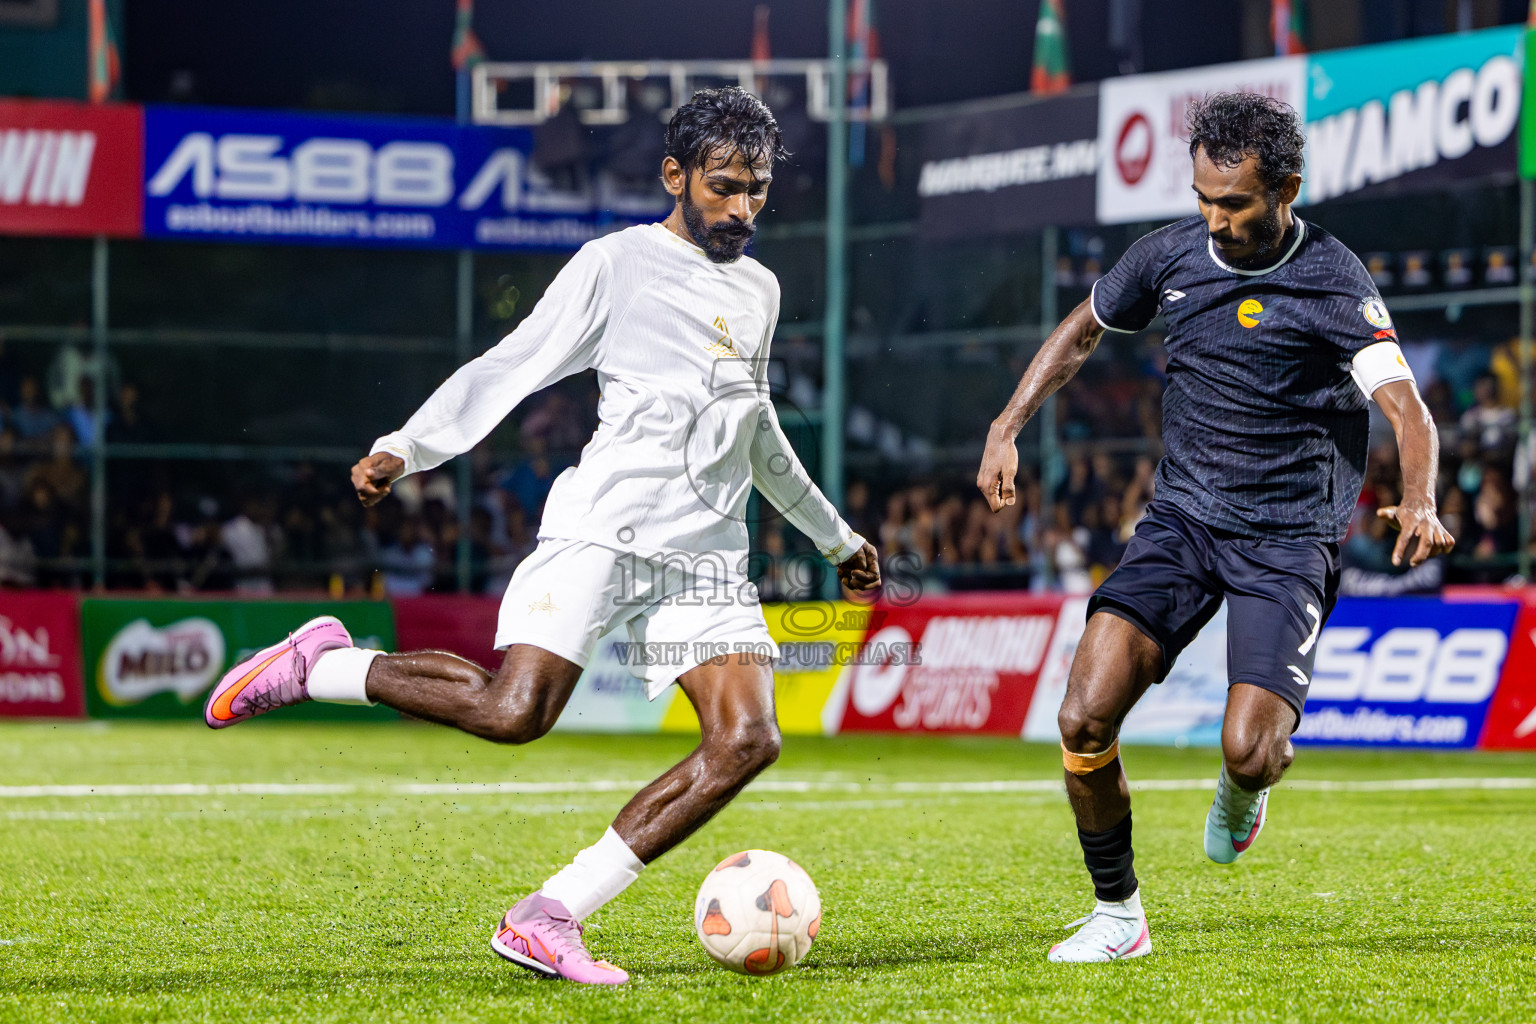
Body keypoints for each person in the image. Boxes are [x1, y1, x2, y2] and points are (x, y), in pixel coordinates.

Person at [203, 87, 880, 985]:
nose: (743, 208)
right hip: (606, 528)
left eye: (757, 189)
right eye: (724, 186)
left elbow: (754, 429)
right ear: (675, 175)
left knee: (747, 740)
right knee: (514, 713)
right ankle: (321, 666)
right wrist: (406, 445)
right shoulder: (615, 264)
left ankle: (549, 913)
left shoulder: (760, 288)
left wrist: (835, 541)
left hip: (707, 556)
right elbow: (514, 364)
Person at [976, 93, 1453, 964]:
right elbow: (1082, 331)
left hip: (1287, 540)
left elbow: (1406, 410)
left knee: (1247, 750)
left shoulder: (1335, 279)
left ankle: (1250, 787)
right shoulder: (1168, 255)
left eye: (1233, 203)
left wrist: (1418, 497)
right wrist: (1007, 425)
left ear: (1286, 190)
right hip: (1183, 523)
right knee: (1084, 717)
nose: (1214, 218)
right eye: (1203, 197)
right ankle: (1119, 917)